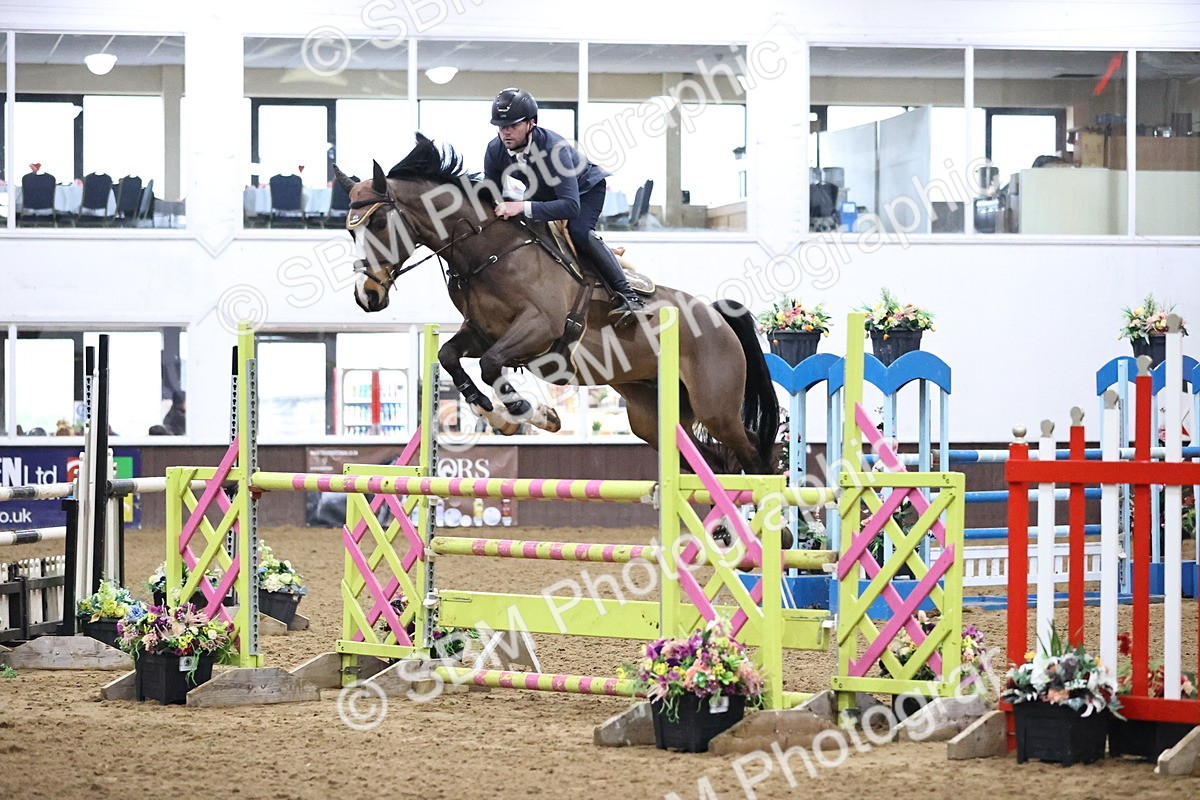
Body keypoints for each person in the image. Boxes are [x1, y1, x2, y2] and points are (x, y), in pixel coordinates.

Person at [484, 87, 645, 323]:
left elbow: (570, 206)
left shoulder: (553, 149)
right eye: (501, 127)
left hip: (584, 191)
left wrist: (520, 206)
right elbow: (492, 195)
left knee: (578, 232)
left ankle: (630, 297)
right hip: (544, 191)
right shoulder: (495, 150)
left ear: (531, 123)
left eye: (513, 125)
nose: (506, 132)